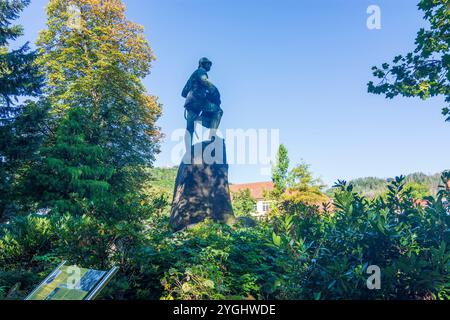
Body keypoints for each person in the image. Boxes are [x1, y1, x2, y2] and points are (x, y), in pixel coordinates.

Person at [182, 57, 223, 153]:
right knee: (218, 111)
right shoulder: (201, 71)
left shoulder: (193, 75)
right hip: (198, 100)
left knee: (189, 128)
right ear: (202, 64)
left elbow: (184, 93)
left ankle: (188, 152)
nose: (210, 66)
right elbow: (205, 81)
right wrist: (215, 91)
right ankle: (212, 137)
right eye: (208, 64)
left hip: (189, 103)